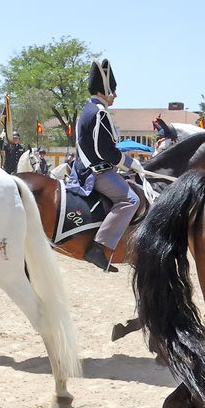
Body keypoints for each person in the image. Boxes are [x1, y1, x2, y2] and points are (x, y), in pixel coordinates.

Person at [71, 58, 135, 272]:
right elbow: (104, 151)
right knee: (130, 200)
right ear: (105, 90)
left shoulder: (88, 110)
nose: (115, 95)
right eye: (113, 90)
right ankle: (99, 247)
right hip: (96, 173)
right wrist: (131, 163)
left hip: (85, 168)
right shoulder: (99, 113)